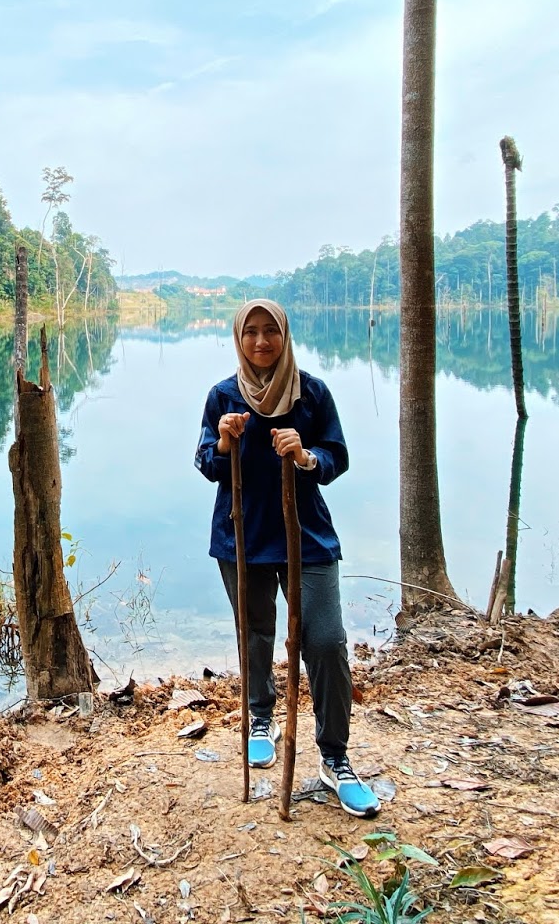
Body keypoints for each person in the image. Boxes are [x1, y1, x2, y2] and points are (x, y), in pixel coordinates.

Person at [194, 299, 379, 818]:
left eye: (269, 331)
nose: (260, 342)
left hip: (307, 534)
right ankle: (260, 717)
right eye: (250, 332)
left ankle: (335, 757)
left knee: (324, 641)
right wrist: (226, 443)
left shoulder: (312, 392)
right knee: (254, 634)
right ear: (238, 337)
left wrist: (304, 456)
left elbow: (336, 456)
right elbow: (205, 461)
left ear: (285, 335)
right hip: (243, 536)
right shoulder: (223, 396)